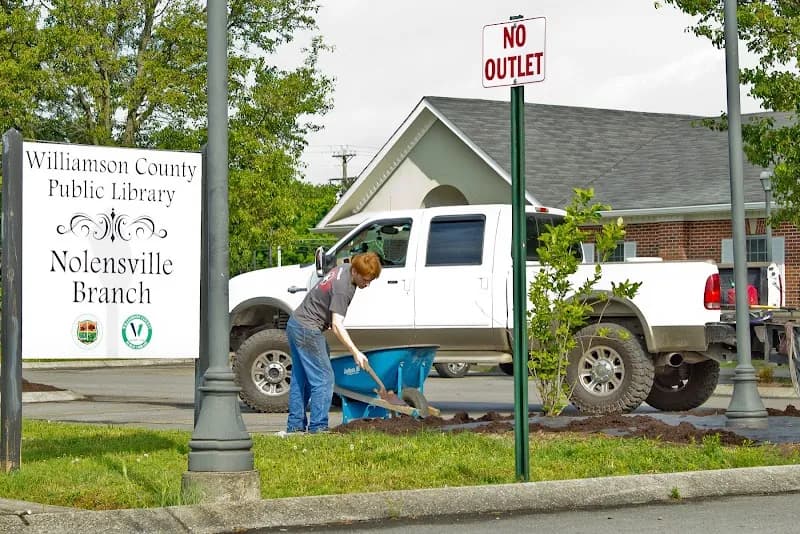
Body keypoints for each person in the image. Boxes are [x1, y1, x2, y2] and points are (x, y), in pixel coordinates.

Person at [284, 251, 382, 434]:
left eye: (371, 281)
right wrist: (355, 351)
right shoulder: (343, 289)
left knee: (301, 378)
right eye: (365, 279)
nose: (367, 284)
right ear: (355, 272)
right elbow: (337, 325)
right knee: (324, 378)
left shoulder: (344, 268)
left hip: (295, 324)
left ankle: (295, 426)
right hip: (307, 329)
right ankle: (318, 427)